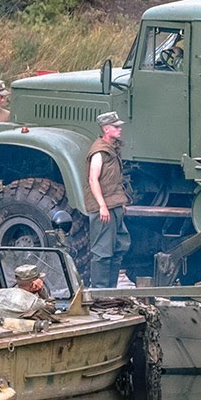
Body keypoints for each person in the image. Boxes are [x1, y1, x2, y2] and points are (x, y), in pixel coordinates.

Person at [85, 111, 131, 289]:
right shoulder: (99, 152)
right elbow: (92, 179)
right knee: (102, 252)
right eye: (116, 127)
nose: (120, 129)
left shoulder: (111, 150)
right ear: (106, 129)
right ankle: (100, 293)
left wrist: (121, 203)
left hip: (115, 205)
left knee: (118, 248)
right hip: (104, 208)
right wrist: (102, 206)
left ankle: (110, 292)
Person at [0, 262, 59, 328]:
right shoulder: (33, 302)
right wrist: (41, 291)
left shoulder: (0, 293)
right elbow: (51, 310)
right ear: (35, 283)